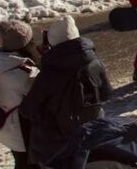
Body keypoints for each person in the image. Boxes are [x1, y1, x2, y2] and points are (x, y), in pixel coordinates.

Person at [20, 16, 112, 167]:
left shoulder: (49, 72)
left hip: (57, 141)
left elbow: (27, 110)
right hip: (91, 130)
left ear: (52, 43)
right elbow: (106, 93)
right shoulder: (94, 61)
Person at [0, 20, 39, 169]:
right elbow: (40, 93)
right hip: (21, 130)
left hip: (6, 124)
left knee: (20, 161)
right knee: (28, 164)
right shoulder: (20, 73)